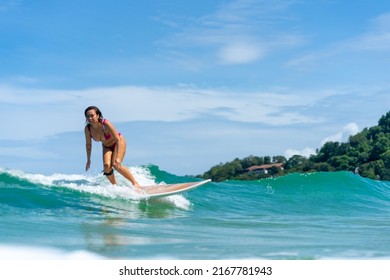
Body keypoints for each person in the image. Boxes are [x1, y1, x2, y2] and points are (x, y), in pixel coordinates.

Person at [84, 106, 141, 188]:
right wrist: (88, 160)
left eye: (92, 115)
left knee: (115, 164)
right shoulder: (88, 129)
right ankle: (115, 186)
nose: (90, 118)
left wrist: (118, 158)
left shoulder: (105, 124)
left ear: (98, 115)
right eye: (87, 116)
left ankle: (135, 183)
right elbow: (88, 144)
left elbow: (118, 140)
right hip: (106, 147)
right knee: (107, 166)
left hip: (118, 142)